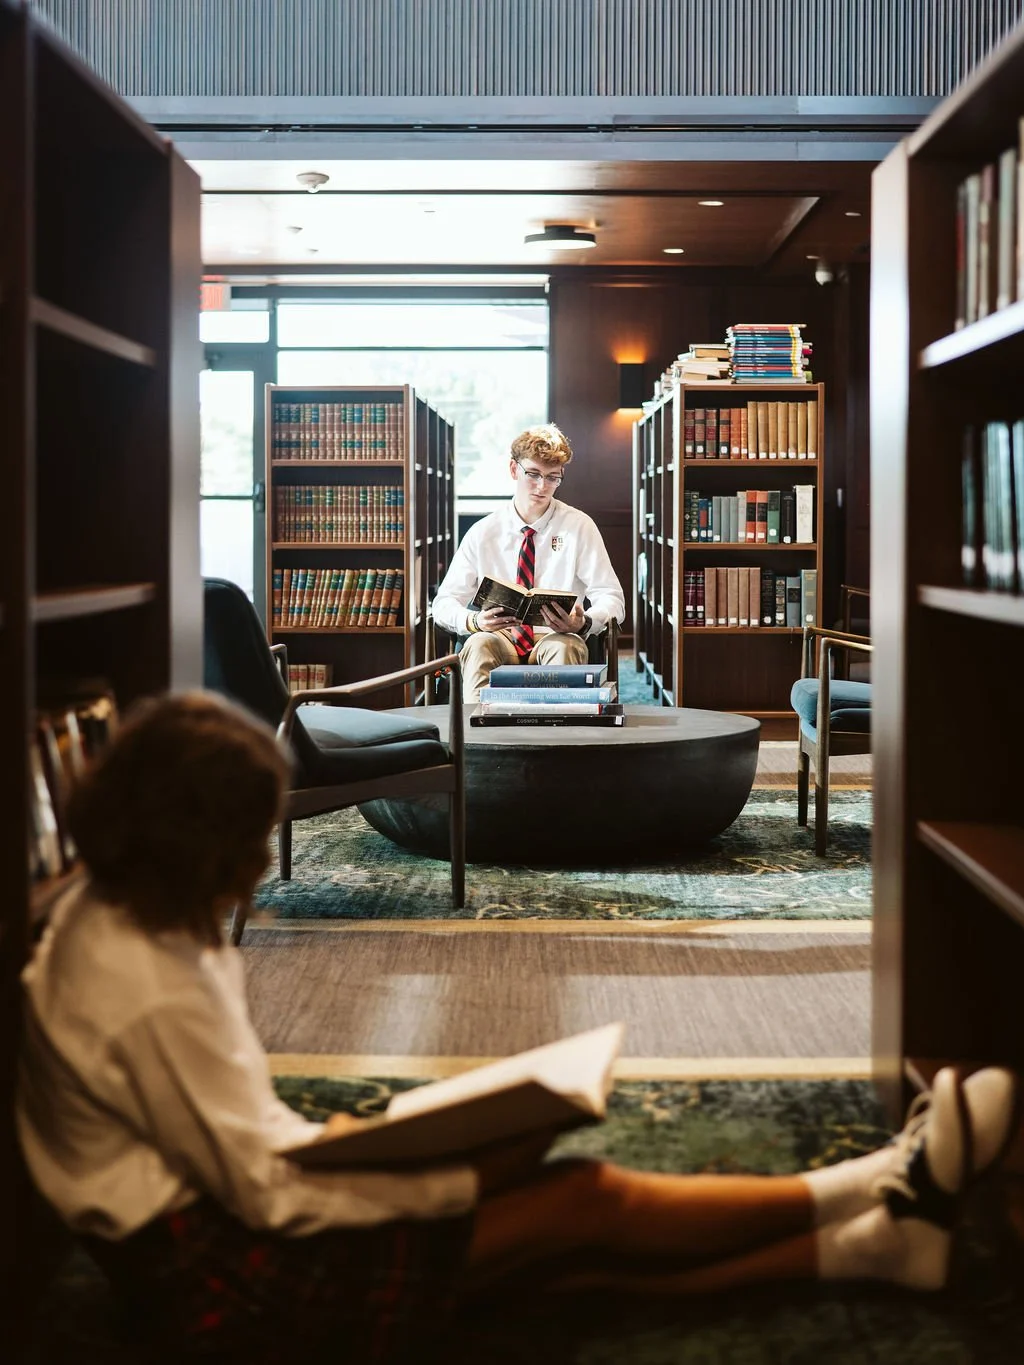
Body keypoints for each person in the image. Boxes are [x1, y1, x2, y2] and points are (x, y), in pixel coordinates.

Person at [17, 692, 1022, 1362]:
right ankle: (878, 1187)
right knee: (580, 1202)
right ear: (194, 841)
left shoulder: (112, 914)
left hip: (190, 1228)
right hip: (219, 1281)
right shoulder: (146, 976)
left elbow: (238, 1147)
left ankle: (876, 1246)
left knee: (555, 1256)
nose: (254, 863)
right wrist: (458, 1177)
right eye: (246, 840)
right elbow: (272, 1195)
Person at [432, 423, 625, 701]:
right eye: (532, 474)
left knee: (564, 647)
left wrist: (584, 623)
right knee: (479, 645)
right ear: (514, 469)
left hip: (556, 637)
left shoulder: (579, 527)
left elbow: (612, 598)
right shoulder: (483, 531)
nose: (541, 486)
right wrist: (474, 620)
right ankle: (476, 739)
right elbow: (443, 603)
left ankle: (556, 740)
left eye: (552, 478)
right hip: (500, 637)